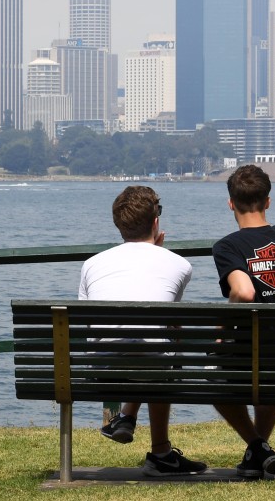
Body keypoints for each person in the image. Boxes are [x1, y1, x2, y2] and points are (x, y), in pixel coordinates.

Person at [79, 185, 208, 477]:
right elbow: (168, 323)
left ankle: (124, 417)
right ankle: (159, 451)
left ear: (119, 225)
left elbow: (88, 325)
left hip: (102, 369)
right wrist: (158, 253)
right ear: (156, 222)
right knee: (162, 345)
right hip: (156, 367)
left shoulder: (91, 265)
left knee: (143, 344)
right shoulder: (180, 265)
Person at [211, 164, 275, 479]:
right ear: (268, 201)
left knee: (214, 380)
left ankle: (257, 447)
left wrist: (224, 327)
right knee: (273, 360)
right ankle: (258, 452)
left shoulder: (227, 246)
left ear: (231, 203)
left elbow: (243, 292)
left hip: (255, 358)